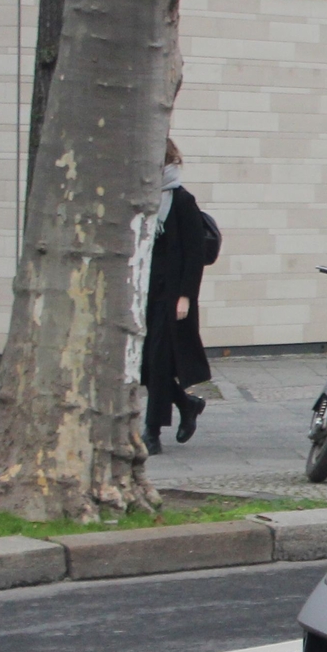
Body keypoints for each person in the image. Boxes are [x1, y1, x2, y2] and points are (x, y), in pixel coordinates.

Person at [143, 139, 213, 456]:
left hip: (171, 297)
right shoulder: (140, 199)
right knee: (144, 365)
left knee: (158, 362)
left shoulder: (182, 201)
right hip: (142, 293)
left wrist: (185, 296)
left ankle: (152, 431)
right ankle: (187, 403)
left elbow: (194, 254)